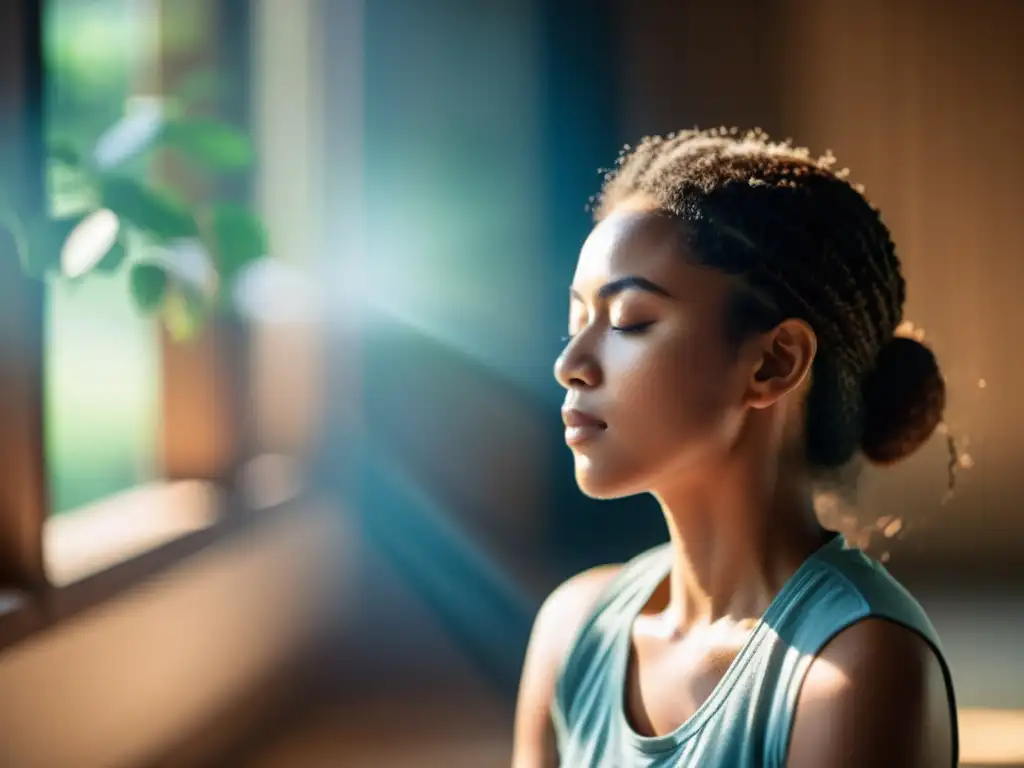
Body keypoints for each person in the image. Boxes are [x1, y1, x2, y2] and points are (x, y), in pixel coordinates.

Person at [512, 129, 958, 767]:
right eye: (577, 321)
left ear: (774, 363)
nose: (571, 364)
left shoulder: (857, 670)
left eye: (630, 321)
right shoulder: (572, 630)